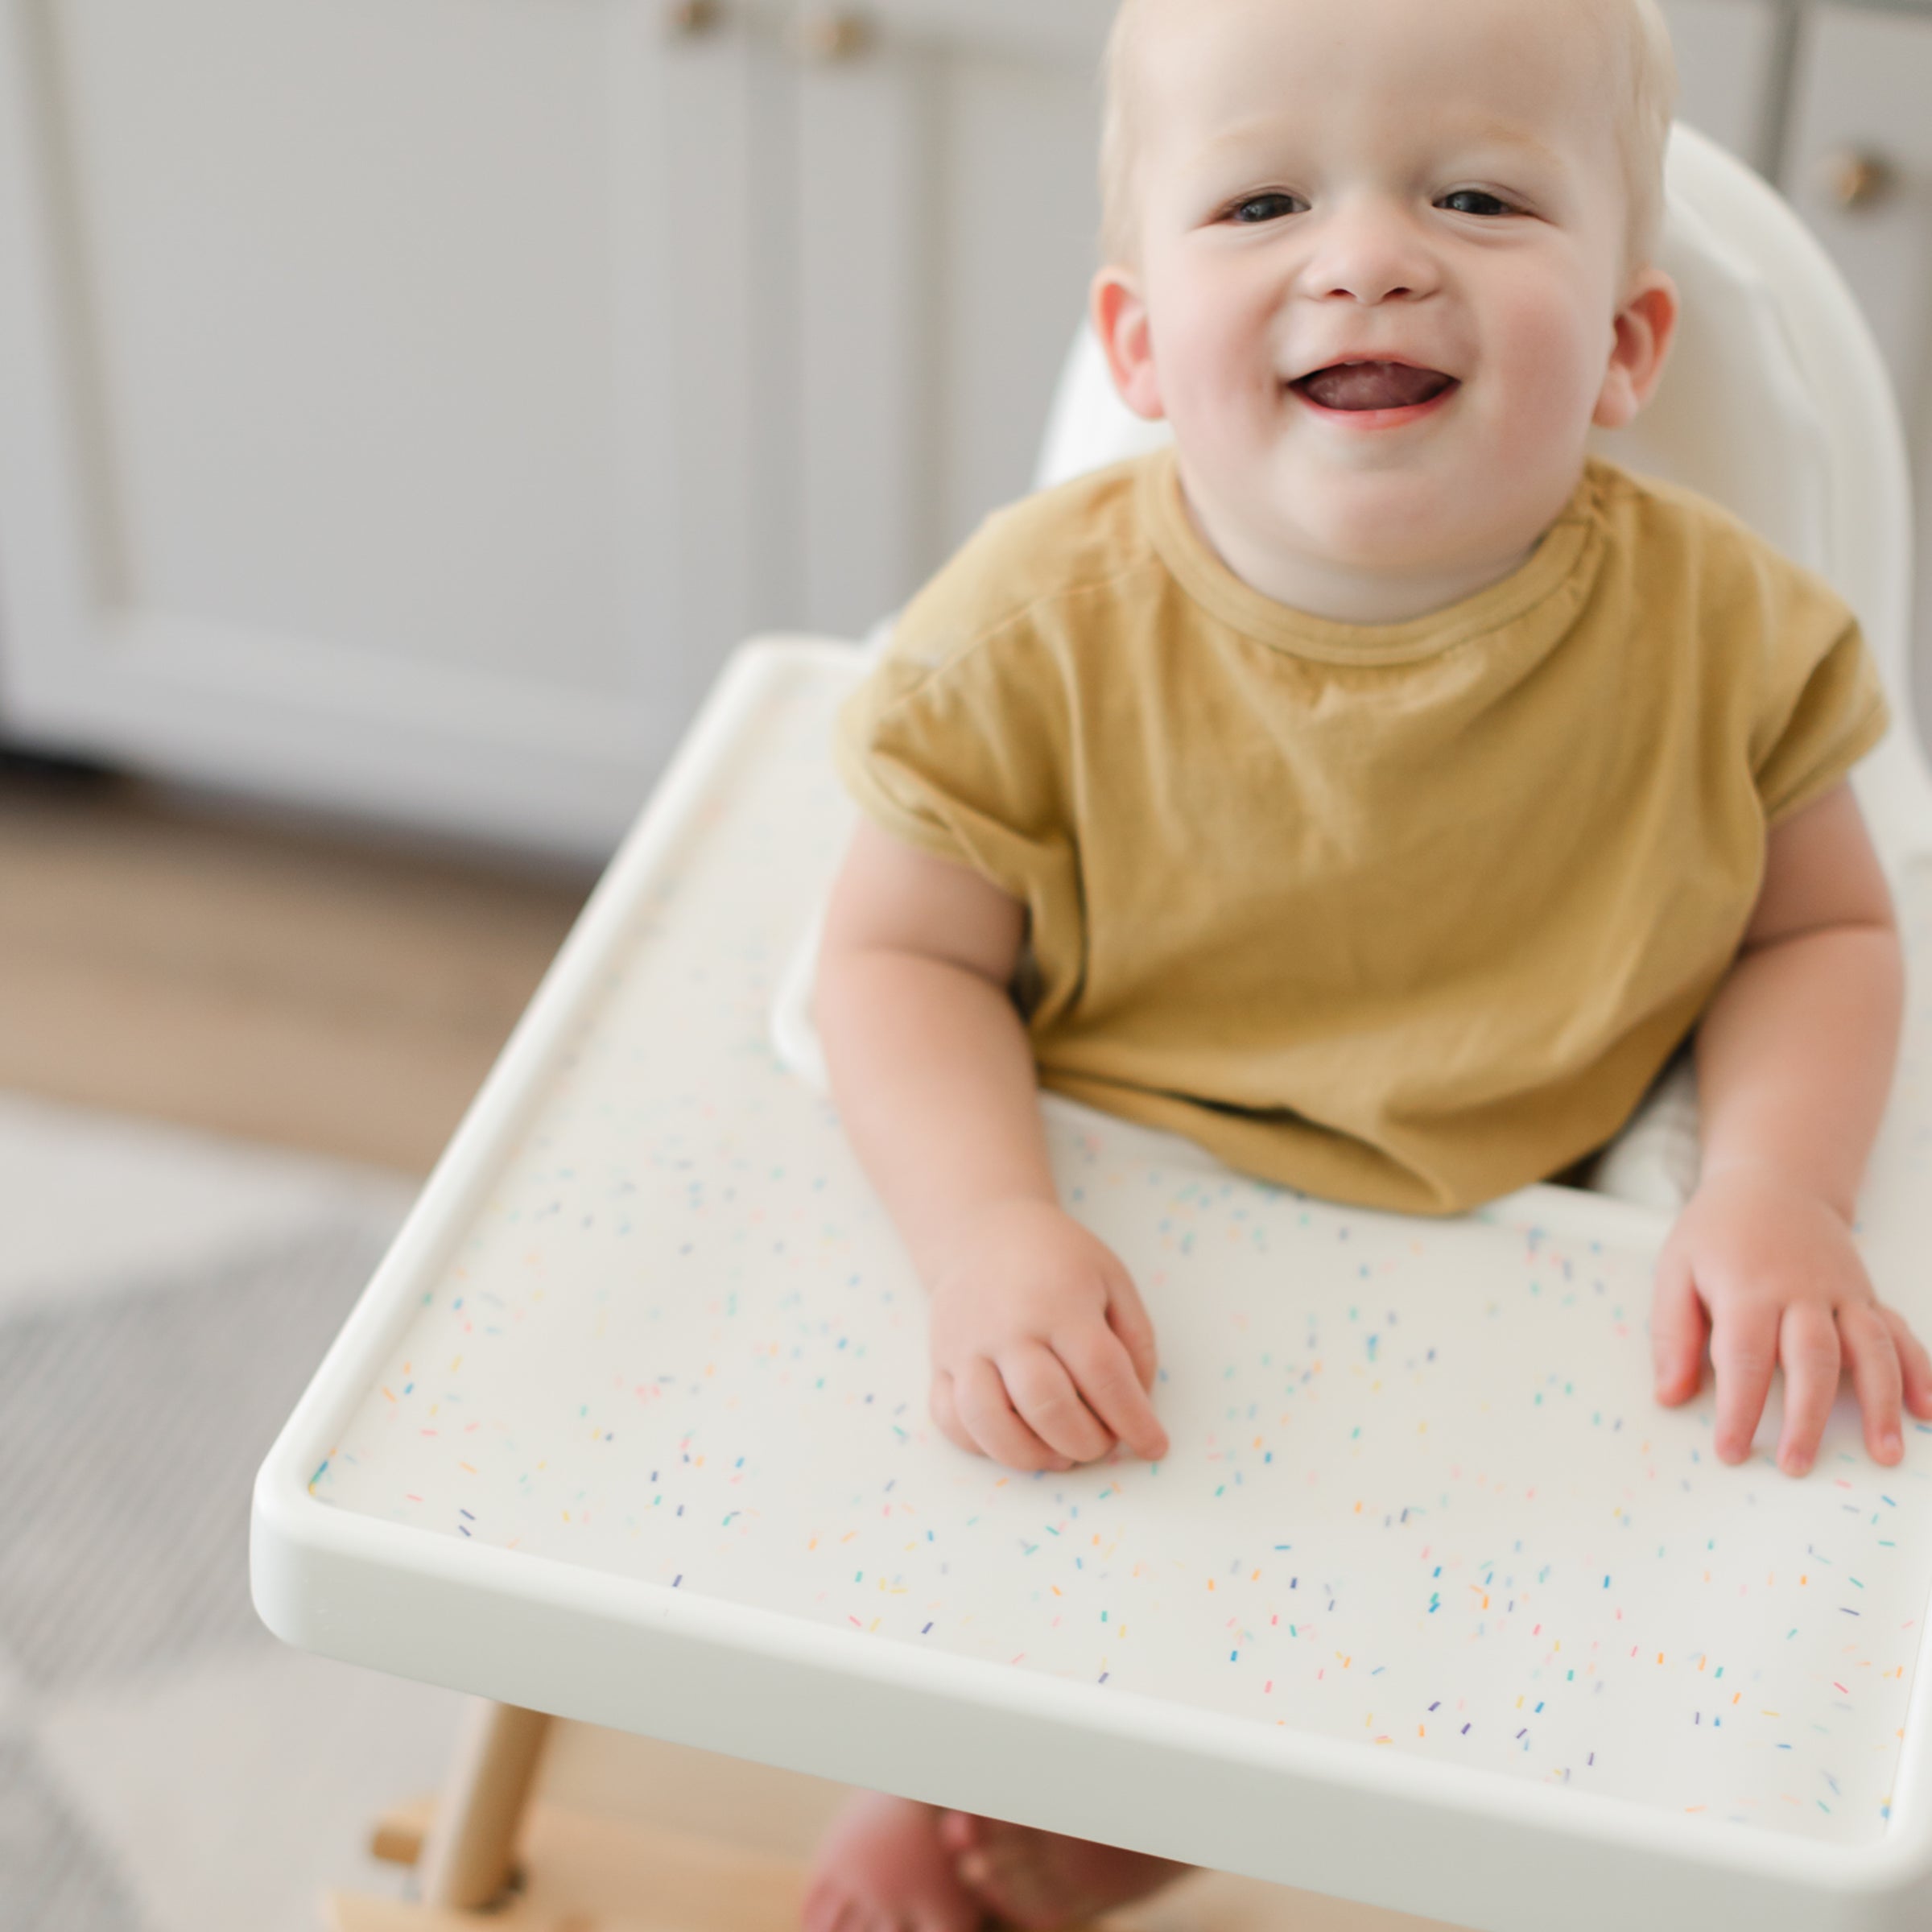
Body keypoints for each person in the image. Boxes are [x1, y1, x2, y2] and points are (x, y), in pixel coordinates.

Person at [800, 0, 1932, 1923]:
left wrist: (1772, 1187)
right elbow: (891, 963)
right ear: (1140, 342)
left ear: (1628, 346)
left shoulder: (1729, 637)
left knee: (1491, 1645)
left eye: (1477, 193)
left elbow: (1822, 923)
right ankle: (944, 1773)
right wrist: (989, 1224)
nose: (1370, 253)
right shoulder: (1024, 637)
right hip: (1126, 1214)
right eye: (1260, 200)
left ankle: (1158, 1811)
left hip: (1538, 1236)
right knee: (1009, 1523)